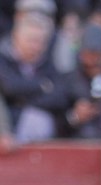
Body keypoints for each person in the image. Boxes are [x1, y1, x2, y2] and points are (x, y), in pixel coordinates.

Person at [0, 8, 67, 141]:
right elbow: (10, 86)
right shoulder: (3, 59)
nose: (35, 46)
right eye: (31, 40)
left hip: (39, 132)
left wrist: (23, 103)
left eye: (40, 42)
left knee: (39, 119)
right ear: (16, 36)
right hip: (7, 128)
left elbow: (60, 97)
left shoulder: (48, 64)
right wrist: (43, 86)